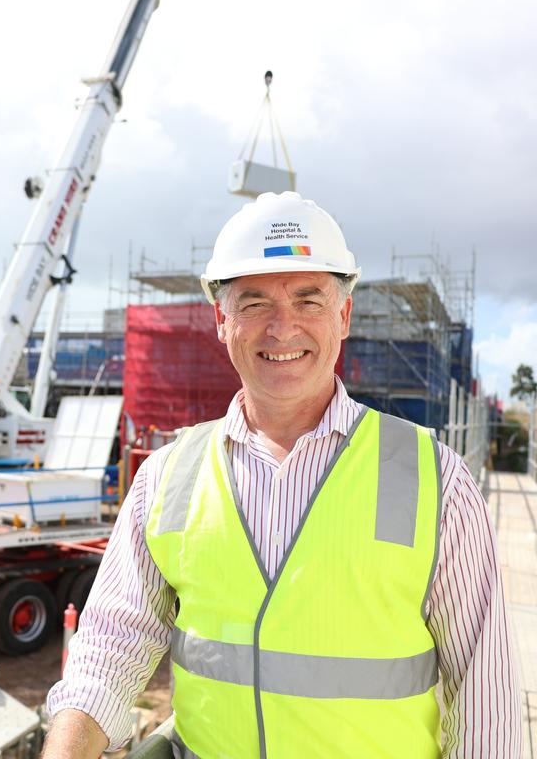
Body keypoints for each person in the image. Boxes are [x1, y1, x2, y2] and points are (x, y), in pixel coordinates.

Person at [43, 192, 520, 758]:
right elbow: (110, 647)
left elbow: (487, 700)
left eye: (308, 299)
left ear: (342, 316)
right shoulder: (168, 477)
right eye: (254, 304)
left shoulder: (434, 480)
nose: (282, 328)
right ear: (222, 321)